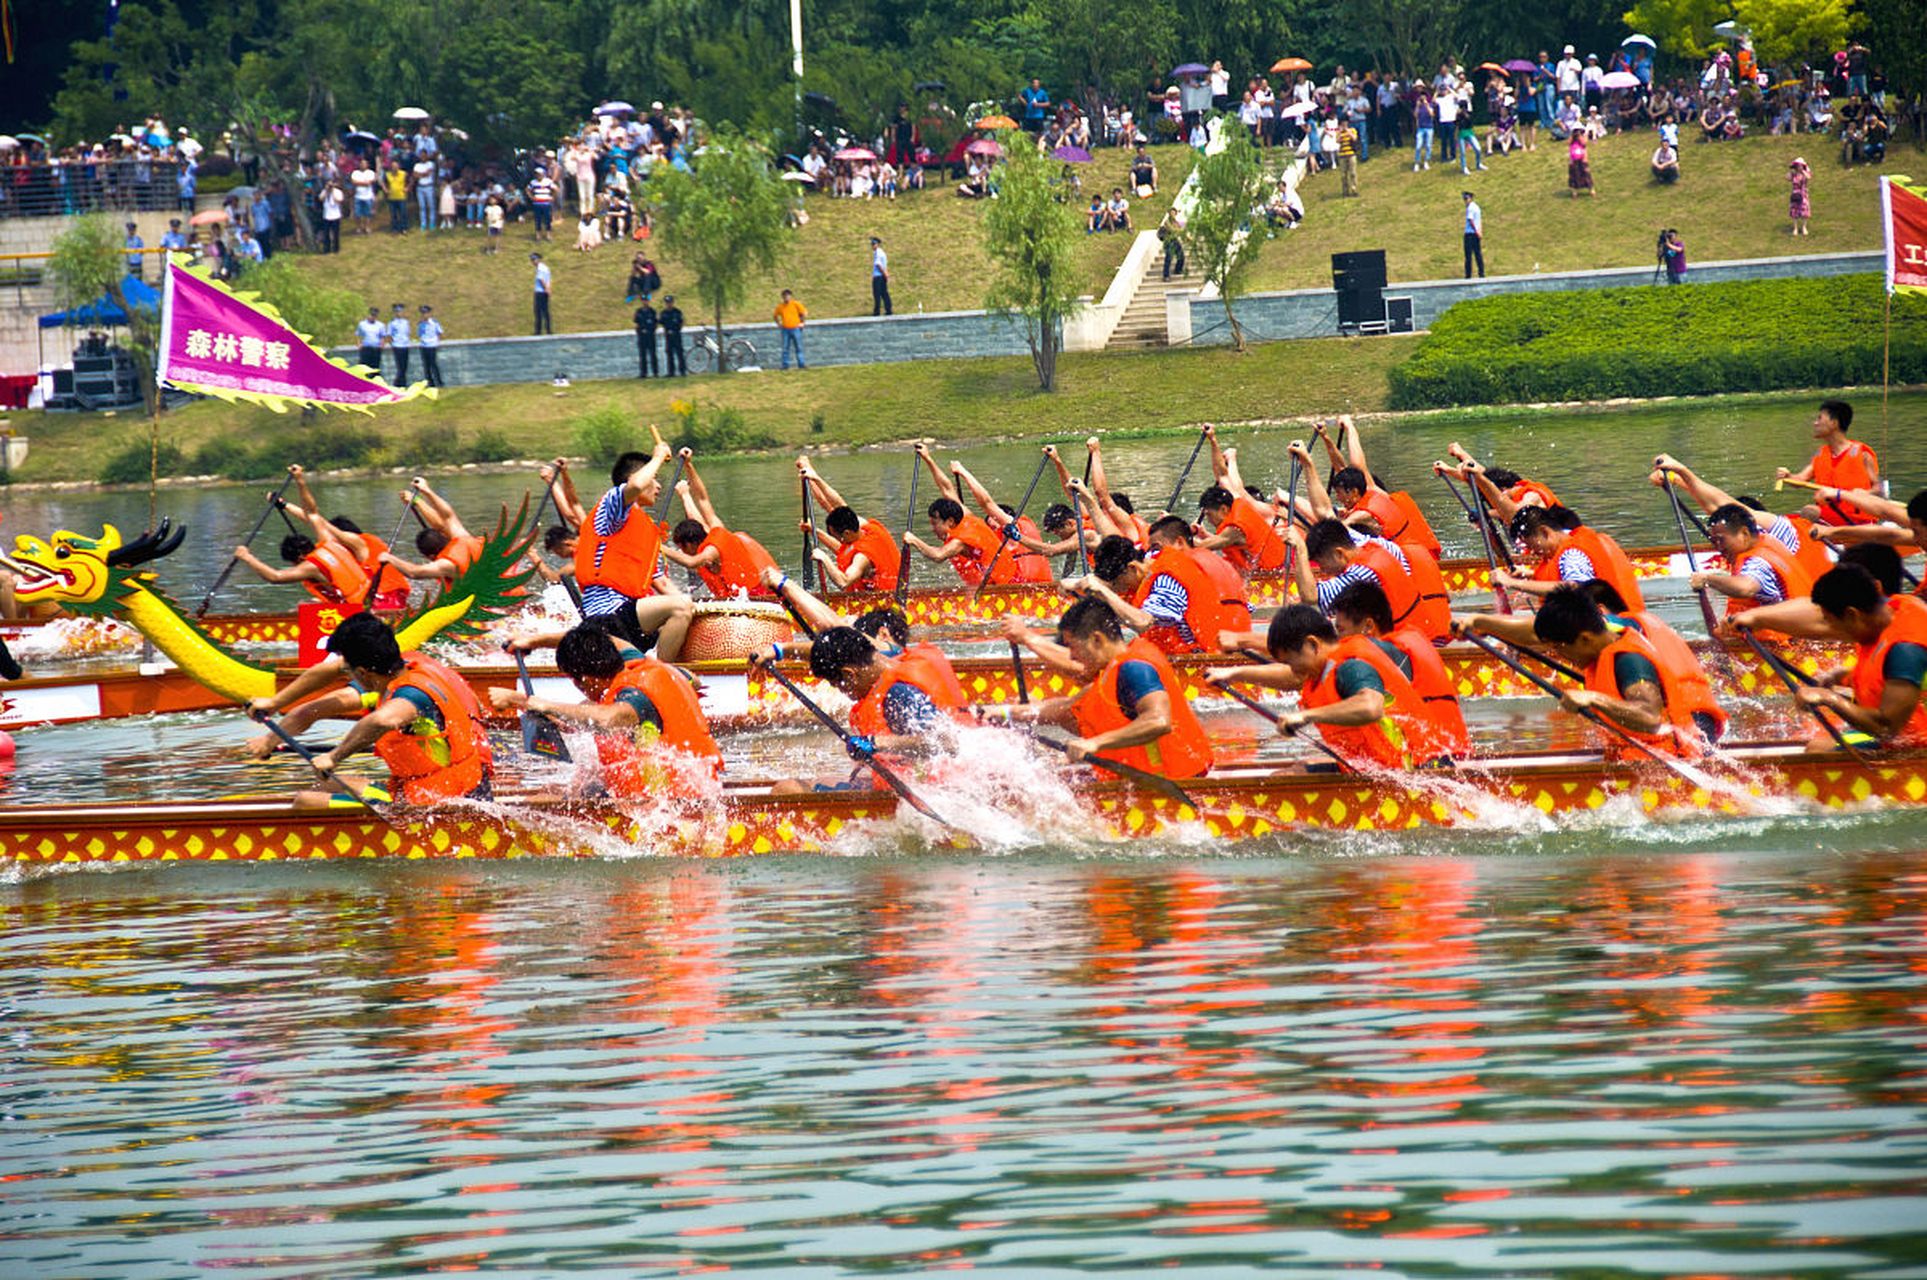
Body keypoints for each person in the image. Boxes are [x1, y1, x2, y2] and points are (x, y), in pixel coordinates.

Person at [244, 612, 493, 810]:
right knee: (327, 783)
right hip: (436, 787)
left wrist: (334, 756)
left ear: (362, 673)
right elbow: (313, 705)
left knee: (305, 802)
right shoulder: (403, 664)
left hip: (446, 803)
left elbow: (384, 720)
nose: (344, 672)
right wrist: (274, 705)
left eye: (348, 670)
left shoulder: (411, 696)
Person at [492, 622, 722, 797]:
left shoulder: (635, 696)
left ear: (581, 679)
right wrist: (534, 641)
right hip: (699, 782)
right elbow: (603, 638)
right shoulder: (642, 664)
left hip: (674, 802)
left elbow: (609, 719)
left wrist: (529, 702)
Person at [1483, 584, 1706, 762]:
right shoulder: (1603, 633)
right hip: (1634, 756)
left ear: (1585, 639)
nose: (1560, 655)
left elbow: (1650, 716)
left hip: (1670, 759)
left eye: (1560, 648)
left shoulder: (1629, 661)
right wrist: (1481, 623)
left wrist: (1594, 698)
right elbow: (1534, 635)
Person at [1005, 597, 1212, 780]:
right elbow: (1069, 709)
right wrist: (1007, 714)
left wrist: (1095, 744)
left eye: (1073, 647)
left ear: (1096, 639)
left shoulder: (1134, 668)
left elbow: (1159, 721)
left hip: (1169, 785)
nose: (1072, 656)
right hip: (1142, 779)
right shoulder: (1110, 669)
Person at [1210, 603, 1427, 771]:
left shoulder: (1349, 668)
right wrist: (1233, 674)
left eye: (1291, 661)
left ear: (1313, 644)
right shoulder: (1323, 668)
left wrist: (1306, 716)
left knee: (1292, 779)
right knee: (1294, 773)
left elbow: (1371, 707)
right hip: (1372, 768)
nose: (1292, 670)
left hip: (1404, 772)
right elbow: (1290, 678)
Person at [756, 625, 967, 794]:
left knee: (787, 790)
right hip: (923, 784)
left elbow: (947, 743)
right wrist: (779, 651)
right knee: (823, 780)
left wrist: (875, 743)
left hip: (931, 793)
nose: (843, 692)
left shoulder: (898, 695)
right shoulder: (885, 657)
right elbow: (830, 650)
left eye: (837, 685)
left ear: (849, 675)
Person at [1770, 565, 1927, 749]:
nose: (1832, 631)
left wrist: (1829, 698)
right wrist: (1845, 677)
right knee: (1812, 732)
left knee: (1816, 748)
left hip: (1913, 743)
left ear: (1852, 614)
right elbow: (1887, 672)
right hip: (1901, 731)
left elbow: (1887, 728)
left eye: (1832, 623)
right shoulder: (1893, 610)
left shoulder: (1905, 649)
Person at [569, 443, 695, 661]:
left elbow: (663, 584)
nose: (658, 486)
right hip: (605, 618)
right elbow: (636, 485)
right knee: (680, 609)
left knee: (687, 613)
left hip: (628, 619)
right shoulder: (612, 507)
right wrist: (657, 457)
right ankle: (661, 675)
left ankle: (662, 669)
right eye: (654, 479)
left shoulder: (646, 531)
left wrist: (701, 609)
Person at [1288, 519, 1451, 642]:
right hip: (1420, 633)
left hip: (1410, 646)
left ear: (1339, 553)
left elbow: (1310, 597)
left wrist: (1300, 550)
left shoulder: (1360, 574)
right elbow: (1327, 514)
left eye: (1322, 564)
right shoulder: (1376, 544)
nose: (1322, 570)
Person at [662, 452, 779, 600]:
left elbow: (691, 562)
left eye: (682, 547)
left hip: (761, 597)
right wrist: (685, 489)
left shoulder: (715, 543)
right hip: (732, 602)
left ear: (691, 544)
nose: (681, 551)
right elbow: (701, 502)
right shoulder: (700, 535)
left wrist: (657, 547)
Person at [1498, 504, 1646, 609]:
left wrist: (1511, 583)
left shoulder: (1571, 554)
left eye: (1531, 546)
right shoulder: (1590, 539)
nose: (1532, 552)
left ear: (1545, 532)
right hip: (1632, 622)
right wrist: (1530, 574)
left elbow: (1575, 587)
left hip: (1615, 629)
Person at [1691, 502, 1815, 625]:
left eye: (1721, 540)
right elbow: (1714, 502)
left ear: (1745, 533)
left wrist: (1706, 579)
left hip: (1779, 642)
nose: (1718, 547)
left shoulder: (1757, 563)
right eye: (1714, 541)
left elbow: (1745, 588)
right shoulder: (1774, 535)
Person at [1777, 400, 1879, 526]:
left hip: (1857, 521)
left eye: (1819, 419)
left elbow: (1878, 489)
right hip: (1828, 520)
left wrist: (1867, 493)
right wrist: (1788, 476)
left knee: (1808, 512)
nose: (1815, 423)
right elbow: (1800, 480)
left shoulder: (1862, 454)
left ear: (1834, 423)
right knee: (1794, 516)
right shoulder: (1821, 455)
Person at [231, 521, 370, 605]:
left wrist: (247, 557)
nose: (295, 567)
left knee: (300, 607)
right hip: (369, 598)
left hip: (353, 610)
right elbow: (313, 515)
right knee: (306, 604)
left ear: (300, 557)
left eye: (294, 563)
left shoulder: (311, 566)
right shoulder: (330, 544)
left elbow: (275, 577)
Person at [774, 288, 807, 370]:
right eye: (784, 296)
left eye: (788, 296)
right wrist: (779, 323)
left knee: (798, 347)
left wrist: (802, 322)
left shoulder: (796, 304)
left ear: (790, 296)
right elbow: (775, 315)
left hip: (795, 328)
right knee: (785, 348)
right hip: (785, 329)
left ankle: (801, 364)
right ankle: (785, 365)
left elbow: (803, 313)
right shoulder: (780, 306)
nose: (786, 298)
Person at [416, 305, 444, 388]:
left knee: (434, 365)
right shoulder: (421, 324)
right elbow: (420, 334)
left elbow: (439, 333)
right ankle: (430, 382)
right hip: (424, 346)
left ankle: (439, 382)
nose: (424, 315)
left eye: (426, 313)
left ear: (429, 313)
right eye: (423, 313)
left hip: (432, 346)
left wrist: (437, 343)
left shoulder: (434, 323)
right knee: (426, 365)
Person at [660, 295, 686, 376]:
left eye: (670, 302)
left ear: (673, 302)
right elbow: (662, 323)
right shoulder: (663, 313)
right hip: (668, 336)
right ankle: (671, 372)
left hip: (676, 335)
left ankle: (682, 371)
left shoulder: (677, 312)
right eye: (667, 302)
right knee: (669, 354)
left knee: (679, 353)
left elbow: (681, 322)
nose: (669, 304)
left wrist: (676, 331)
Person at [386, 302, 412, 385]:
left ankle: (401, 382)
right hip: (397, 346)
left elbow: (408, 333)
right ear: (394, 312)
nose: (398, 313)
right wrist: (392, 345)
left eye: (400, 311)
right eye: (396, 311)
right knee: (400, 366)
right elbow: (389, 335)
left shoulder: (405, 322)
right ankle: (399, 383)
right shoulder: (392, 323)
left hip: (405, 345)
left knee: (405, 365)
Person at [529, 252, 554, 336]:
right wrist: (549, 289)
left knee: (538, 312)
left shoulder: (540, 268)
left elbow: (541, 280)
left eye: (533, 260)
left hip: (540, 292)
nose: (532, 262)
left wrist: (546, 289)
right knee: (546, 312)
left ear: (538, 260)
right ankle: (548, 330)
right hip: (545, 292)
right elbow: (549, 280)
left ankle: (538, 331)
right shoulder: (546, 268)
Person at [633, 296, 658, 378]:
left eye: (646, 300)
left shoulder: (652, 311)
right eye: (643, 300)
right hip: (642, 336)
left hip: (650, 336)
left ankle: (655, 372)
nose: (645, 302)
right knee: (642, 355)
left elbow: (655, 323)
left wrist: (650, 331)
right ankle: (643, 373)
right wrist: (640, 331)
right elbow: (636, 323)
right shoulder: (638, 311)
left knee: (653, 354)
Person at [1461, 190, 1484, 278]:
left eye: (1466, 198)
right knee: (1478, 254)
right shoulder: (1477, 207)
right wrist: (1479, 231)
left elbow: (1471, 220)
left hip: (1470, 234)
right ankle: (1481, 273)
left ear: (1470, 198)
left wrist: (1476, 230)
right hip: (1476, 234)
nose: (1465, 201)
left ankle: (1468, 275)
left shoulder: (1470, 208)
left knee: (1468, 256)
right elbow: (1479, 221)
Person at [354, 307, 384, 373]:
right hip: (366, 349)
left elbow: (382, 336)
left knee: (375, 368)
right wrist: (359, 344)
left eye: (374, 315)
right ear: (368, 314)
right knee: (364, 368)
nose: (372, 317)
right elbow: (358, 335)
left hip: (376, 349)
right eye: (371, 315)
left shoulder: (380, 325)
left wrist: (381, 345)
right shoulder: (362, 324)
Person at [870, 236, 893, 316]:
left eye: (873, 244)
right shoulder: (881, 252)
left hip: (878, 277)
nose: (872, 246)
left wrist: (885, 274)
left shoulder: (878, 253)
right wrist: (886, 275)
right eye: (872, 244)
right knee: (884, 293)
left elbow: (879, 265)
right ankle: (888, 309)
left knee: (877, 294)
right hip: (881, 276)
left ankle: (877, 312)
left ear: (877, 244)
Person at [1788, 156, 1811, 236]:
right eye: (1798, 165)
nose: (1799, 167)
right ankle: (1795, 228)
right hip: (1795, 193)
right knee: (1794, 211)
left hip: (1803, 193)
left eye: (1800, 165)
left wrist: (1803, 171)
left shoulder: (1806, 173)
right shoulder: (1794, 174)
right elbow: (1787, 178)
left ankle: (1804, 227)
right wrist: (1791, 170)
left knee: (1804, 210)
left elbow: (1809, 177)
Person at [1568, 128, 1594, 197]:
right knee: (1574, 175)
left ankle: (1591, 189)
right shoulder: (1572, 141)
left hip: (1582, 160)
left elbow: (1584, 143)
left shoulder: (1582, 139)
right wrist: (1573, 135)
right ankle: (1574, 191)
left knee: (1586, 174)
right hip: (1574, 160)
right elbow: (1568, 142)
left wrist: (1580, 136)